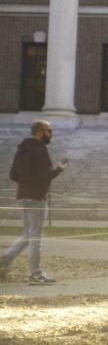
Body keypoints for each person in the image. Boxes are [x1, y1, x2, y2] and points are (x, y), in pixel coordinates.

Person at [0, 120, 67, 285]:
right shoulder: (39, 151)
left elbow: (13, 175)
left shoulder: (22, 150)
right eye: (49, 131)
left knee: (28, 235)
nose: (51, 134)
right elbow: (45, 176)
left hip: (23, 196)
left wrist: (27, 181)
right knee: (36, 238)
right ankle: (36, 275)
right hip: (36, 198)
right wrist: (59, 169)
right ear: (40, 132)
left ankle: (4, 260)